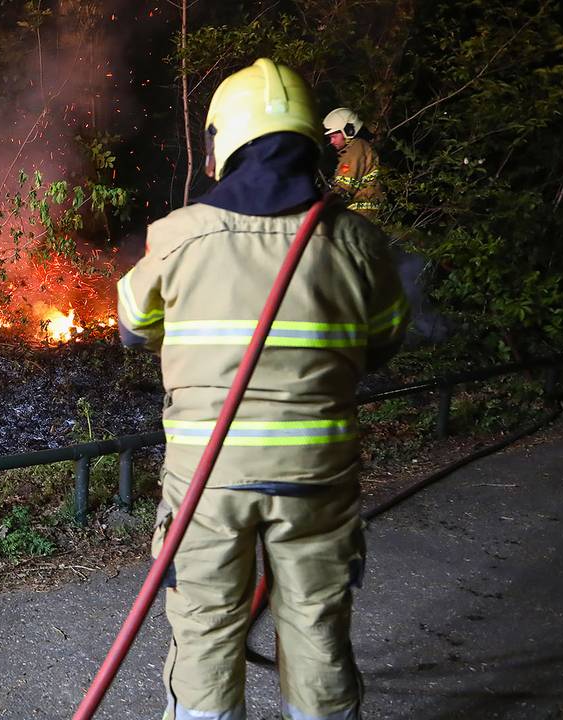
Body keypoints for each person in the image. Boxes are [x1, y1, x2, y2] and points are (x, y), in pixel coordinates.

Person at [116, 59, 409, 720]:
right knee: (316, 630)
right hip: (316, 476)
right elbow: (386, 339)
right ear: (312, 143)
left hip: (207, 483)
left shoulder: (179, 236)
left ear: (224, 146)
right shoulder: (357, 241)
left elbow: (133, 324)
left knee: (205, 630)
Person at [324, 107, 382, 217]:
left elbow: (343, 187)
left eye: (334, 136)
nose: (331, 141)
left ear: (349, 130)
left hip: (363, 212)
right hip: (365, 211)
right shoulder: (359, 147)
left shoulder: (356, 148)